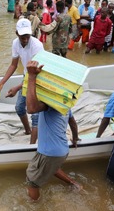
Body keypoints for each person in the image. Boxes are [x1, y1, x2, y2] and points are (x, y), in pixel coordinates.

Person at [25, 60, 80, 201]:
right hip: (62, 150)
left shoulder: (50, 104)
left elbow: (31, 109)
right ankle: (74, 184)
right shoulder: (65, 103)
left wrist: (31, 77)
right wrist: (75, 139)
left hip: (50, 152)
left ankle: (34, 208)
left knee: (32, 181)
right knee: (52, 168)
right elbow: (73, 123)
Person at [0, 19, 44, 144]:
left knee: (35, 114)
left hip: (38, 79)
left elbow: (35, 73)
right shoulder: (15, 44)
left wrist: (17, 88)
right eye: (22, 36)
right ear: (17, 33)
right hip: (26, 77)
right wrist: (2, 83)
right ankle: (27, 131)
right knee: (19, 108)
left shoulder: (37, 45)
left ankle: (32, 146)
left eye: (27, 36)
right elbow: (13, 65)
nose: (25, 39)